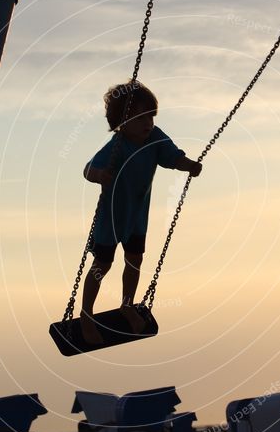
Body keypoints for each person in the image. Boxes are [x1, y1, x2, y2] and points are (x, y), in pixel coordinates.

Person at [80, 80, 202, 345]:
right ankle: (86, 315)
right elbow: (89, 169)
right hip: (112, 216)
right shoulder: (117, 146)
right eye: (141, 116)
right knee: (102, 265)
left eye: (151, 115)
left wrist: (188, 165)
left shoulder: (155, 138)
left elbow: (172, 156)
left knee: (134, 260)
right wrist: (101, 175)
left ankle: (127, 305)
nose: (148, 122)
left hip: (136, 216)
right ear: (123, 121)